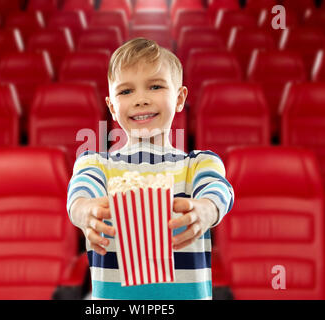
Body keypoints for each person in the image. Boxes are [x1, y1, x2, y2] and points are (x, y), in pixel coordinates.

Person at [66, 38, 235, 300]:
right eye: (126, 92)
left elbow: (218, 189)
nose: (141, 100)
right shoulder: (95, 163)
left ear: (179, 98)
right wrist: (83, 211)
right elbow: (80, 194)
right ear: (112, 107)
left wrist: (207, 208)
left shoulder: (200, 163)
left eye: (155, 86)